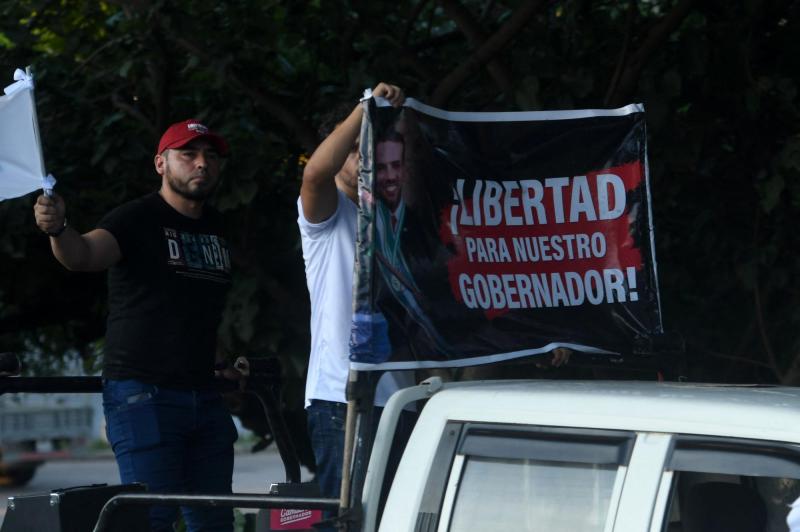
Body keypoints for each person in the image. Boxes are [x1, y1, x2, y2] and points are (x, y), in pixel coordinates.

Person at [33, 119, 240, 532]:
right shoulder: (136, 218)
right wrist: (57, 228)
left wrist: (223, 367)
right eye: (189, 155)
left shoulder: (217, 226)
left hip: (204, 395)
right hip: (144, 394)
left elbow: (197, 312)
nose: (202, 164)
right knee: (152, 521)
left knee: (215, 523)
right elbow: (83, 255)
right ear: (161, 164)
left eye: (210, 156)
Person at [297, 83, 413, 507]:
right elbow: (314, 174)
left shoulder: (395, 216)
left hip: (402, 397)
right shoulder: (328, 213)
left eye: (371, 148)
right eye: (353, 149)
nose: (365, 158)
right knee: (349, 519)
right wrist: (365, 111)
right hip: (340, 398)